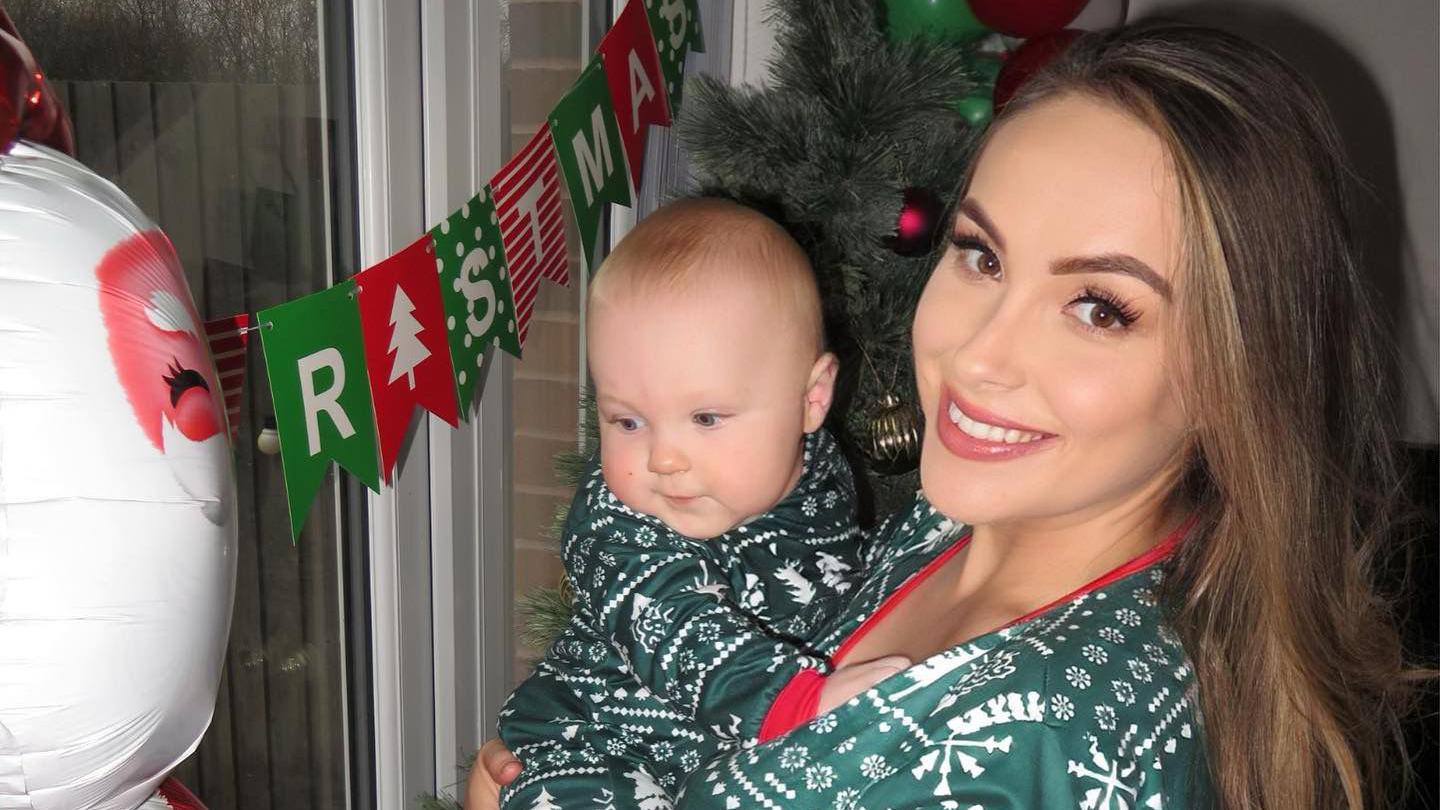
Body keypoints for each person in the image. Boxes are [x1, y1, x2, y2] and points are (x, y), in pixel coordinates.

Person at [473, 22, 1421, 809]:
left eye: (1099, 307)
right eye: (981, 255)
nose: (977, 357)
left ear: (1236, 374)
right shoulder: (965, 514)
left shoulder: (1018, 745)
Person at [495, 199, 911, 808]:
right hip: (590, 746)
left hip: (715, 756)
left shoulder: (823, 478)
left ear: (812, 398)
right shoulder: (618, 521)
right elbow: (679, 628)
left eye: (706, 417)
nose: (664, 458)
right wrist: (795, 702)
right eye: (628, 421)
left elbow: (843, 567)